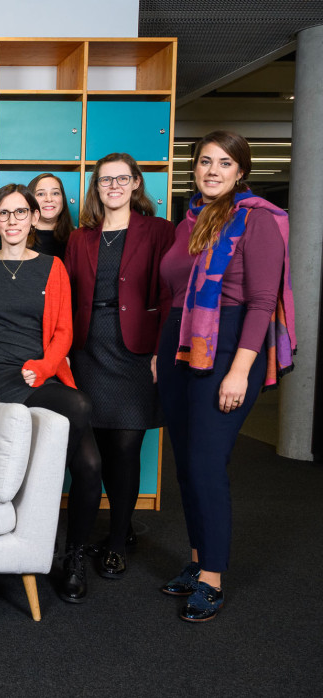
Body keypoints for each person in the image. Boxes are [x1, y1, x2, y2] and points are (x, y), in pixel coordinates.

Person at [156, 131, 293, 622]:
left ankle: (213, 578)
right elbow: (174, 294)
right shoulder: (188, 220)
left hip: (229, 347)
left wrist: (240, 370)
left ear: (241, 171)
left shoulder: (257, 221)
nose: (212, 171)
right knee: (188, 464)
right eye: (205, 162)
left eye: (224, 163)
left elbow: (261, 302)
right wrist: (159, 353)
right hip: (178, 348)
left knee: (208, 464)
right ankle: (197, 561)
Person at [0, 183, 101, 604]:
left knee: (91, 465)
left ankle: (73, 556)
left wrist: (42, 369)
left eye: (20, 213)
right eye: (4, 215)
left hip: (41, 373)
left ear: (32, 217)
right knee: (79, 409)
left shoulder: (52, 267)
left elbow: (64, 331)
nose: (12, 221)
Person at [66, 153, 175, 578]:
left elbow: (167, 293)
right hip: (90, 349)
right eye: (104, 179)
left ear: (135, 183)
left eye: (121, 179)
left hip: (136, 349)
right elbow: (70, 293)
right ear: (96, 187)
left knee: (127, 447)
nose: (112, 186)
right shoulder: (82, 237)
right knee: (99, 444)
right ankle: (122, 526)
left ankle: (116, 540)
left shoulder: (159, 231)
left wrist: (158, 352)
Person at [28, 173, 75, 259]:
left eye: (55, 193)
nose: (49, 199)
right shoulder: (17, 238)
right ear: (30, 200)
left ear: (63, 199)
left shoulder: (78, 239)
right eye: (41, 194)